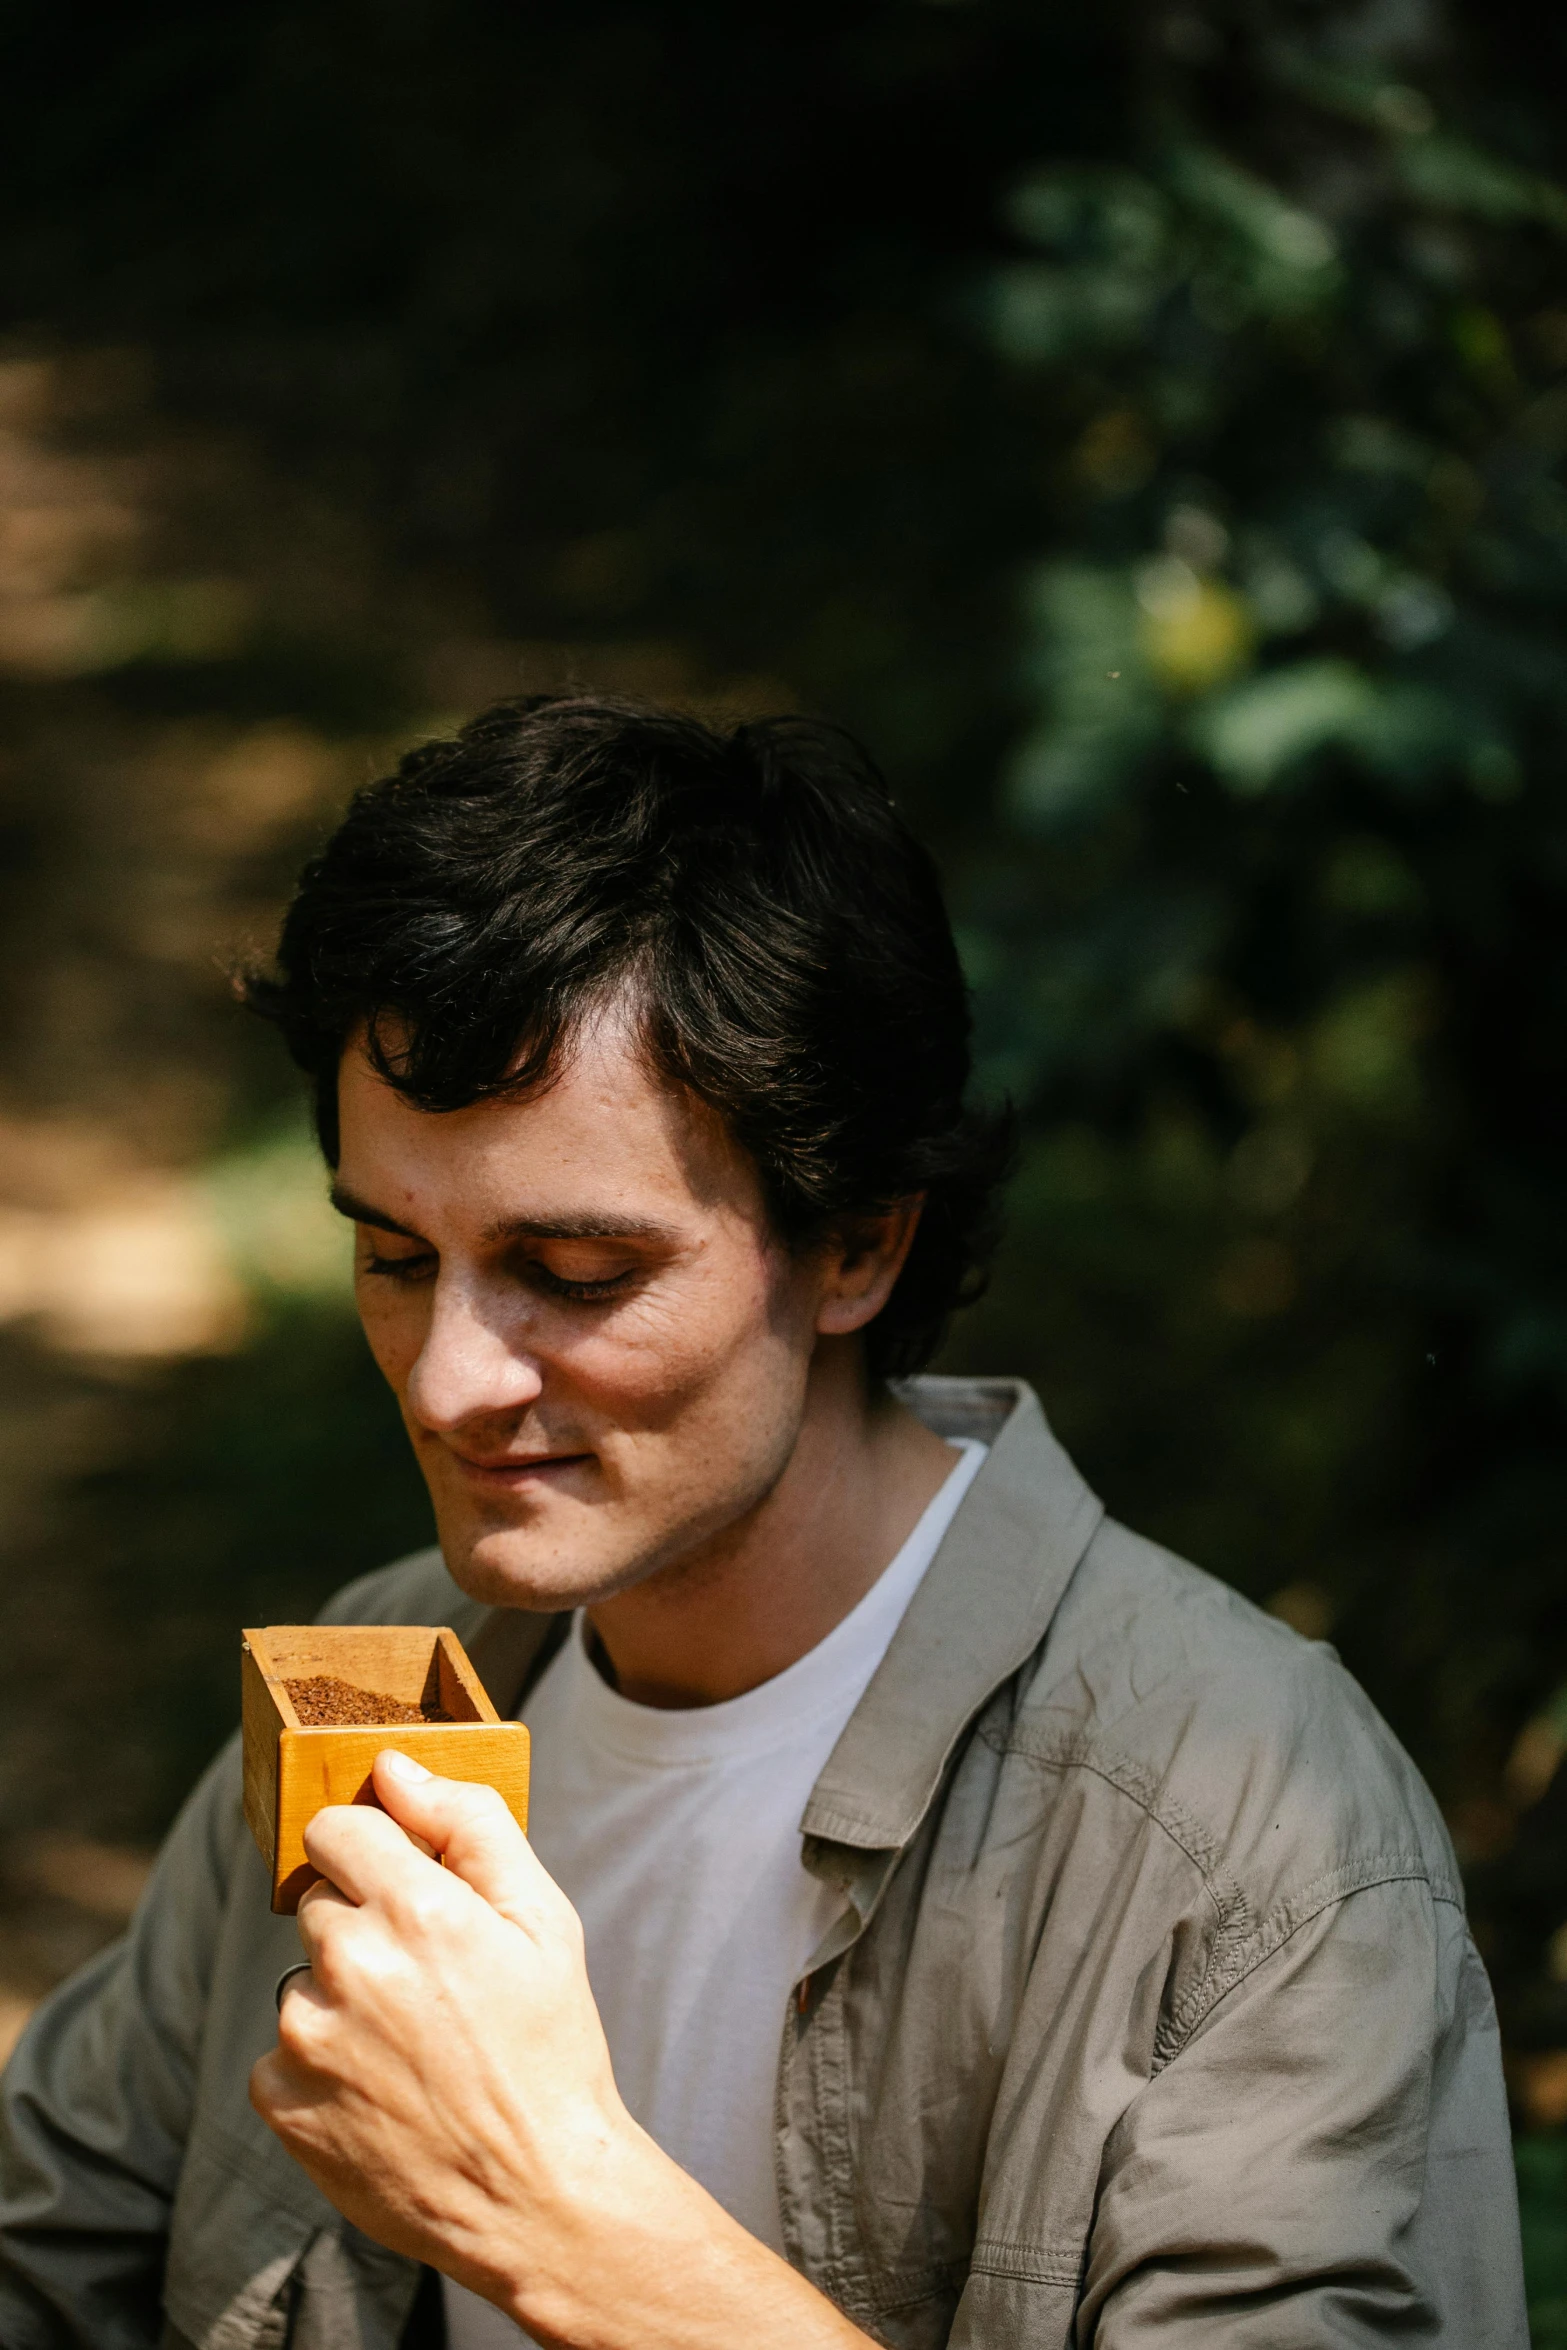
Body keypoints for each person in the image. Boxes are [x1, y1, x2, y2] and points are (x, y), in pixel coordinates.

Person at [0, 697, 1526, 2350]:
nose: (446, 1380)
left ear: (858, 1245)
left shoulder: (1244, 1835)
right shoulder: (375, 1692)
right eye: (391, 1254)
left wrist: (571, 2225)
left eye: (573, 1274)